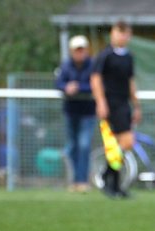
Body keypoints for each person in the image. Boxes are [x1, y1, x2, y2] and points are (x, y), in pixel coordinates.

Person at [90, 20, 141, 198]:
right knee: (119, 143)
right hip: (110, 104)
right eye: (118, 32)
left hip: (124, 104)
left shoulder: (128, 57)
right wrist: (101, 102)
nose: (121, 36)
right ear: (112, 33)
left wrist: (136, 105)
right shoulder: (105, 55)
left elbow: (130, 82)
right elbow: (95, 79)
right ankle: (112, 183)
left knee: (120, 146)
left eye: (124, 32)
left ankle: (111, 180)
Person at [55, 35, 96, 193]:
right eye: (77, 50)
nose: (80, 53)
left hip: (88, 113)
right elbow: (58, 83)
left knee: (84, 145)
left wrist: (79, 87)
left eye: (82, 49)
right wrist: (66, 87)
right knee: (72, 147)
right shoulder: (66, 66)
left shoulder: (92, 65)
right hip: (71, 112)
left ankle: (82, 181)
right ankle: (75, 180)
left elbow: (96, 84)